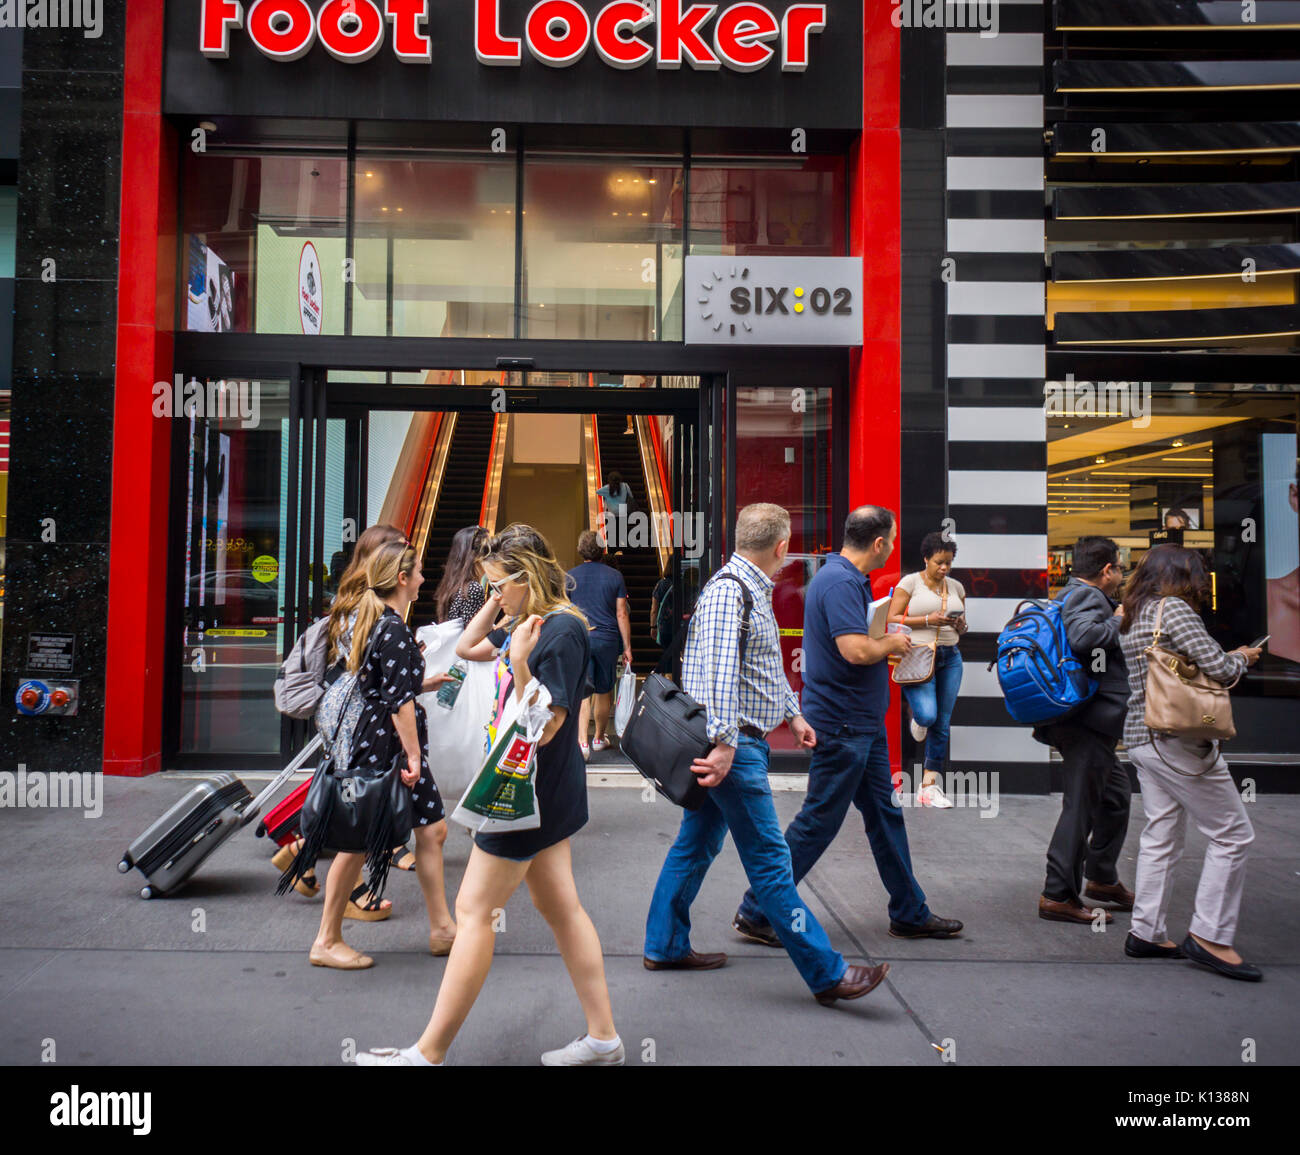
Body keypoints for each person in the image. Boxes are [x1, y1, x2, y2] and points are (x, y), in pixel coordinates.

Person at [356, 524, 623, 1065]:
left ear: (527, 578)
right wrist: (499, 605)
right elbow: (468, 646)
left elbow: (545, 727)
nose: (493, 592)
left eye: (501, 583)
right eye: (490, 584)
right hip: (540, 792)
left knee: (474, 911)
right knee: (560, 906)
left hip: (524, 792)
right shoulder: (525, 620)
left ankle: (427, 1053)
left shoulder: (562, 632)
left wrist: (521, 660)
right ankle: (604, 1038)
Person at [644, 503, 891, 1006]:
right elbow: (715, 680)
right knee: (772, 864)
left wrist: (794, 714)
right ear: (781, 548)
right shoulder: (730, 593)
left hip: (739, 744)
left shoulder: (749, 590)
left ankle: (665, 945)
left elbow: (763, 668)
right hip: (737, 751)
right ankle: (828, 973)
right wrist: (725, 746)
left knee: (695, 846)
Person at [732, 506, 964, 946]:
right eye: (891, 541)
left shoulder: (840, 578)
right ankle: (756, 909)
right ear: (878, 543)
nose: (893, 548)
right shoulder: (840, 582)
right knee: (819, 819)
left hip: (860, 723)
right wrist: (893, 640)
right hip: (844, 725)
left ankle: (910, 912)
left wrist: (883, 638)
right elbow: (855, 650)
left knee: (884, 814)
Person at [292, 539, 456, 969]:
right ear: (402, 579)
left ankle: (442, 928)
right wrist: (415, 757)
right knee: (359, 841)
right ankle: (326, 940)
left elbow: (379, 685)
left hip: (375, 742)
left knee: (432, 830)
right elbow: (397, 702)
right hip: (387, 749)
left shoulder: (375, 622)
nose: (424, 578)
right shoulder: (395, 630)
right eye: (418, 572)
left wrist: (421, 684)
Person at [1119, 546, 1263, 980]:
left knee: (1161, 833)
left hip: (1142, 738)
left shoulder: (1132, 612)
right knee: (1233, 834)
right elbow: (1218, 667)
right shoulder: (1175, 610)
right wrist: (1244, 657)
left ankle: (1146, 931)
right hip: (1177, 738)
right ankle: (1210, 937)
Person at [271, 524, 416, 910]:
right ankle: (347, 900)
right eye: (399, 551)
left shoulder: (357, 594)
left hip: (350, 715)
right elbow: (361, 662)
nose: (409, 559)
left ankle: (304, 853)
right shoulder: (364, 602)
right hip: (355, 718)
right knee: (359, 800)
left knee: (353, 797)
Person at [1032, 536, 1134, 925]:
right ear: (1107, 570)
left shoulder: (1072, 594)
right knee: (1081, 807)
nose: (1121, 576)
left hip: (1087, 722)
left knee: (1116, 797)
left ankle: (1102, 878)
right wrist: (1118, 619)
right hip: (1087, 723)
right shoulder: (1088, 598)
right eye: (1120, 569)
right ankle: (1057, 894)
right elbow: (1085, 638)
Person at [887, 531, 969, 807]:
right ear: (926, 559)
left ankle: (929, 786)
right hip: (919, 655)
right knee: (927, 715)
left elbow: (963, 622)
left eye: (948, 562)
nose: (944, 568)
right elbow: (893, 617)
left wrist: (960, 626)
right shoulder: (910, 583)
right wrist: (927, 619)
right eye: (939, 562)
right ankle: (918, 719)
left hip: (951, 657)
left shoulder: (956, 587)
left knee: (942, 722)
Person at [567, 530, 633, 758]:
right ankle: (598, 739)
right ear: (602, 550)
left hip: (581, 638)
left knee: (583, 691)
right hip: (607, 639)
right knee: (604, 691)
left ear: (580, 550)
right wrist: (627, 647)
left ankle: (581, 742)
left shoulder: (570, 577)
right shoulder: (615, 576)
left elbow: (565, 611)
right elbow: (621, 613)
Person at [434, 525, 488, 623]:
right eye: (488, 550)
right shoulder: (473, 589)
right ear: (475, 556)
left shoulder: (452, 586)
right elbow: (472, 633)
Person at [596, 471, 632, 548]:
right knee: (622, 528)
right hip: (622, 510)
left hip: (612, 511)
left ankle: (614, 546)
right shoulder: (625, 486)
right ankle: (622, 543)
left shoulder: (607, 488)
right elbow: (631, 496)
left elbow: (597, 492)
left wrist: (606, 497)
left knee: (613, 529)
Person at [650, 572, 675, 650]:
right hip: (679, 624)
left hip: (664, 626)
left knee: (667, 653)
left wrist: (653, 627)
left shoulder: (661, 584)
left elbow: (654, 608)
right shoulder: (682, 582)